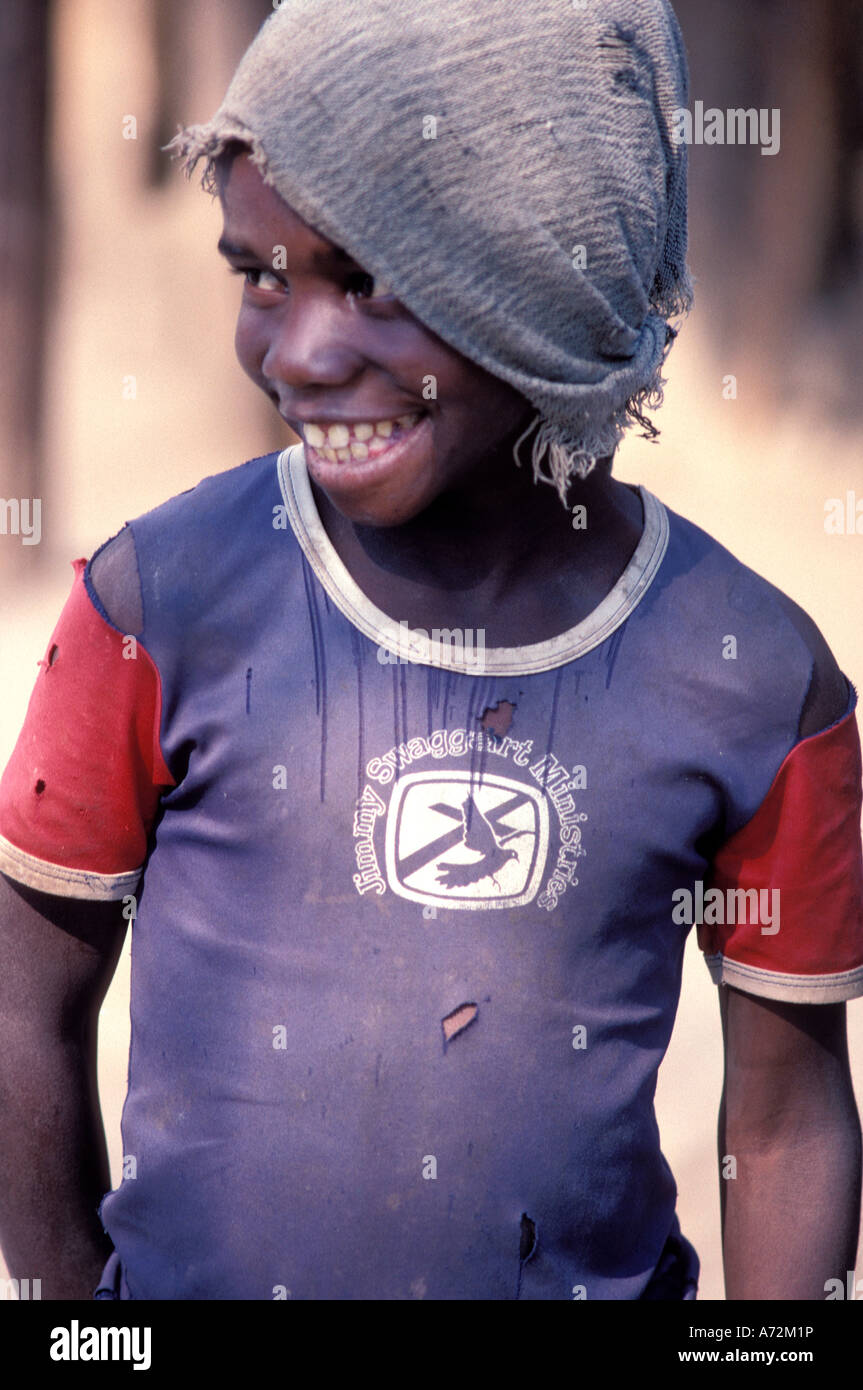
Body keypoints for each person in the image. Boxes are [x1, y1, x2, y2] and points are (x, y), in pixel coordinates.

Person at [1, 0, 861, 1301]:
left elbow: (788, 1115)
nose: (297, 351)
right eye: (260, 275)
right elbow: (23, 1009)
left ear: (551, 275)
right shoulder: (156, 604)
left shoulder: (752, 676)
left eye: (374, 285)